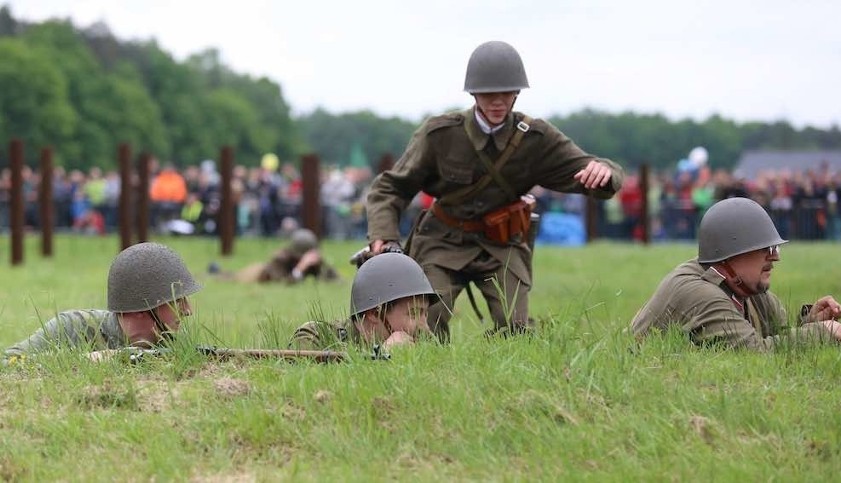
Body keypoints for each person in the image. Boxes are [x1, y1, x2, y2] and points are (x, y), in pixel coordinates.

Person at [365, 40, 625, 341]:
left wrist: (605, 172)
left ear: (517, 93)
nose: (498, 101)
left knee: (516, 328)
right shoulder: (440, 134)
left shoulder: (535, 138)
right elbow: (391, 186)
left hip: (501, 244)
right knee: (426, 324)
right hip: (443, 240)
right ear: (474, 94)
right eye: (489, 93)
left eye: (506, 92)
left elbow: (589, 167)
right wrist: (383, 236)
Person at [631, 197, 841, 350]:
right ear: (731, 253)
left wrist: (809, 322)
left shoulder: (745, 287)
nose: (775, 257)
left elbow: (776, 335)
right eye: (765, 249)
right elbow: (753, 352)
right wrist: (822, 333)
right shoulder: (702, 294)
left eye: (774, 248)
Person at [3, 242, 201, 364]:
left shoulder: (173, 345)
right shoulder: (72, 327)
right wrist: (81, 361)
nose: (187, 310)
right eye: (177, 301)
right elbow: (7, 362)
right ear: (143, 306)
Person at [288, 252, 436, 352]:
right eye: (413, 313)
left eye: (425, 313)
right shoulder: (314, 336)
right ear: (373, 313)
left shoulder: (425, 342)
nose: (424, 325)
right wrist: (382, 355)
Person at [214, 228, 339, 284]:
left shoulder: (310, 262)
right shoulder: (279, 261)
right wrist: (301, 268)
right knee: (230, 277)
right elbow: (283, 283)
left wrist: (321, 264)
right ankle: (214, 271)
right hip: (257, 274)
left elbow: (333, 279)